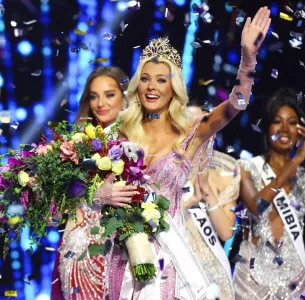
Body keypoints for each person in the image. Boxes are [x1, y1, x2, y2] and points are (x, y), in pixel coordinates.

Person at [94, 7, 271, 300]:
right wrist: (103, 194)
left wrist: (247, 59)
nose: (152, 87)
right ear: (138, 86)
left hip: (168, 261)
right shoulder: (119, 133)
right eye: (146, 79)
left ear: (173, 87)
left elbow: (236, 104)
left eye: (161, 80)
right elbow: (85, 192)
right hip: (123, 260)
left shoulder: (190, 132)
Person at [233, 88, 305, 300]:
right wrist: (295, 161)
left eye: (293, 122)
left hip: (293, 280)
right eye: (278, 121)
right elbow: (255, 205)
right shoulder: (247, 168)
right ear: (268, 127)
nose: (285, 129)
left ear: (301, 130)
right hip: (251, 277)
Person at [51, 66, 138, 299]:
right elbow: (64, 201)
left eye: (110, 94)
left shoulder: (138, 142)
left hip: (122, 251)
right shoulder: (75, 144)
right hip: (80, 246)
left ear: (125, 96)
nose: (101, 103)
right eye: (93, 96)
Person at [180, 102, 239, 299]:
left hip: (212, 276)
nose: (196, 130)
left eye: (201, 124)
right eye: (188, 123)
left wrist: (207, 192)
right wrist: (189, 202)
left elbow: (225, 232)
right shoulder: (166, 169)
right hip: (176, 267)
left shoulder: (225, 173)